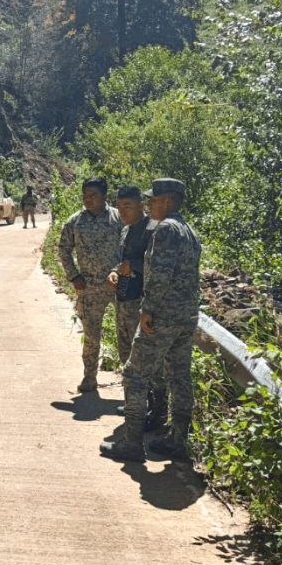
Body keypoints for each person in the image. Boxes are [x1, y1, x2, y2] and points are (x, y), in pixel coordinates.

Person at [101, 178, 203, 463]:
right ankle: (178, 440)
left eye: (154, 201)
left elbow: (160, 274)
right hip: (186, 316)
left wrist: (147, 309)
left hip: (163, 315)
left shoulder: (166, 230)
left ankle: (132, 444)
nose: (150, 206)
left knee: (134, 374)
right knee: (179, 376)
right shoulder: (188, 230)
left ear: (167, 202)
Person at [107, 186, 166, 428]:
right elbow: (122, 261)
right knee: (126, 356)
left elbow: (157, 264)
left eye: (128, 207)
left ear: (141, 206)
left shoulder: (153, 231)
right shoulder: (125, 230)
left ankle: (157, 411)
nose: (122, 212)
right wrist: (114, 271)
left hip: (142, 303)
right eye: (119, 207)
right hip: (123, 301)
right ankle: (137, 403)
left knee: (147, 362)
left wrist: (135, 268)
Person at [56, 177, 122, 393]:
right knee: (91, 338)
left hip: (119, 287)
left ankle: (132, 383)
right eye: (85, 195)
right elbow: (63, 248)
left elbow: (134, 245)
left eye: (93, 195)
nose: (88, 199)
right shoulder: (75, 221)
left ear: (105, 196)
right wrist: (73, 275)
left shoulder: (119, 218)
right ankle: (89, 378)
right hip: (89, 289)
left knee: (127, 336)